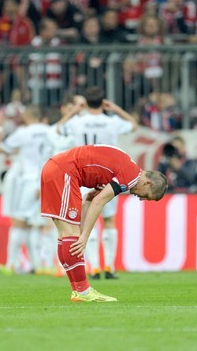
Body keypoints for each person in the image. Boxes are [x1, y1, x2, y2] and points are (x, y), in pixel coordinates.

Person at [41, 144, 167, 302]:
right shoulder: (129, 177)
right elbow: (99, 202)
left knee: (66, 234)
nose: (142, 199)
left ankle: (78, 290)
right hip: (64, 172)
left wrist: (81, 230)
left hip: (55, 168)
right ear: (148, 183)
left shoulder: (127, 168)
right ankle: (83, 292)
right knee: (71, 234)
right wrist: (84, 236)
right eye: (147, 196)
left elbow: (90, 198)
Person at [57, 87, 137, 279]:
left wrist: (75, 110)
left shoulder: (77, 122)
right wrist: (116, 109)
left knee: (85, 221)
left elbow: (59, 128)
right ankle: (109, 267)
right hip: (108, 175)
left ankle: (92, 267)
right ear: (103, 103)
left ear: (85, 103)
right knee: (108, 220)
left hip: (83, 174)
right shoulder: (112, 122)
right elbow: (134, 125)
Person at [0, 105, 50, 275]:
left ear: (27, 116)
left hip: (27, 181)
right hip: (45, 180)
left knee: (19, 222)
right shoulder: (50, 131)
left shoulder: (22, 133)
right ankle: (38, 264)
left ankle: (11, 263)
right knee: (35, 224)